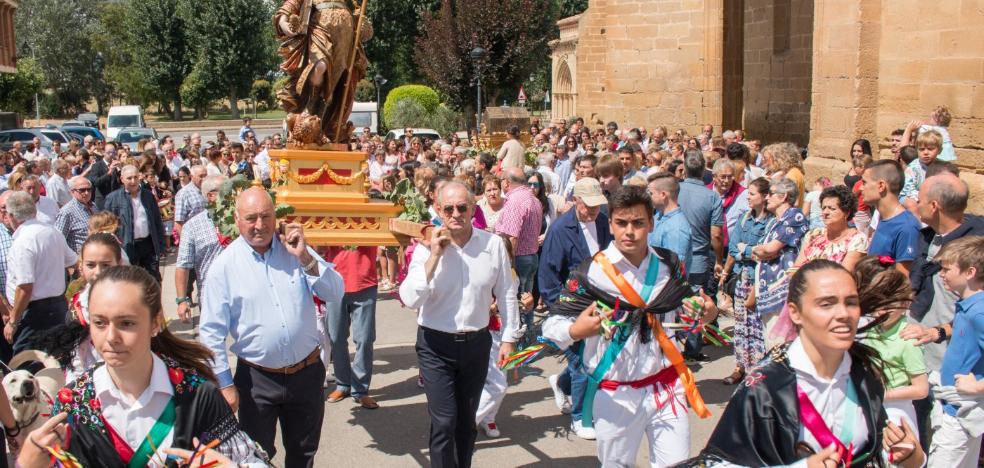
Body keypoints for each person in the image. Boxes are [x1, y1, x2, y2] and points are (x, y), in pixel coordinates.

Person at [16, 266, 270, 468]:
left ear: (155, 323)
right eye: (100, 323)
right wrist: (28, 464)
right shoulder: (71, 404)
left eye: (126, 323)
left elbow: (250, 460)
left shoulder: (196, 396)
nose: (112, 336)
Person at [688, 260, 924, 468]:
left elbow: (874, 451)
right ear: (795, 312)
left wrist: (913, 458)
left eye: (851, 302)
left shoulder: (865, 372)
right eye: (826, 304)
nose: (843, 313)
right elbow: (718, 461)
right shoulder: (765, 388)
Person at [541, 185, 712, 467]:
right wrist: (576, 331)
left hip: (667, 388)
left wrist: (706, 311)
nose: (629, 231)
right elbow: (552, 324)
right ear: (610, 224)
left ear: (651, 223)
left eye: (638, 223)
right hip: (616, 396)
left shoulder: (669, 265)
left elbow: (686, 306)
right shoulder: (591, 273)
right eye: (621, 223)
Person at [199, 188, 343, 467]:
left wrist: (305, 258)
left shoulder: (295, 250)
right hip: (257, 381)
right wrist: (225, 385)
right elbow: (211, 333)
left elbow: (335, 291)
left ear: (276, 216)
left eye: (266, 216)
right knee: (257, 457)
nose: (260, 225)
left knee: (304, 453)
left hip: (307, 374)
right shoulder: (224, 267)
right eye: (251, 218)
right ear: (237, 220)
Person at [399, 181, 520, 467]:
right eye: (449, 208)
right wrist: (434, 256)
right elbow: (409, 298)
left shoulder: (492, 245)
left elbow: (506, 292)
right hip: (435, 345)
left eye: (462, 207)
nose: (456, 213)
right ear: (438, 210)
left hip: (476, 345)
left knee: (467, 422)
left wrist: (509, 338)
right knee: (444, 421)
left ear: (473, 209)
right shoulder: (425, 250)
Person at [900, 173, 984, 448]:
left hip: (953, 367)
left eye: (920, 200)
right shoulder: (928, 236)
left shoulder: (972, 247)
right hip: (926, 343)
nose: (914, 205)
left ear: (934, 206)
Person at [538, 177, 612, 440]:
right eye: (588, 206)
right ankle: (580, 416)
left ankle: (561, 383)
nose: (593, 211)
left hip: (600, 301)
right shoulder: (560, 229)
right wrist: (558, 309)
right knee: (582, 361)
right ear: (576, 201)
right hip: (571, 306)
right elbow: (548, 273)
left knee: (593, 358)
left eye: (597, 206)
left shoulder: (602, 221)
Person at [858, 255, 928, 440]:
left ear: (905, 303)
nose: (882, 311)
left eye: (889, 306)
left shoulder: (907, 338)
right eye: (877, 305)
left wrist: (881, 394)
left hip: (897, 414)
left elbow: (921, 389)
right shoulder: (870, 329)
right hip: (870, 409)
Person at [930, 236, 984, 467]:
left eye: (946, 269)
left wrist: (978, 386)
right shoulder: (968, 306)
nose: (941, 274)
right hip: (954, 410)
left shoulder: (978, 312)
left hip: (961, 413)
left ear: (970, 272)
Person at [3, 191, 78, 353]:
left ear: (11, 216)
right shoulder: (52, 232)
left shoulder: (23, 242)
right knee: (55, 358)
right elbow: (73, 261)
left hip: (34, 314)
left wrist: (13, 322)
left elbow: (25, 287)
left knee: (28, 362)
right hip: (57, 307)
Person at [718, 177, 773, 385]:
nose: (747, 197)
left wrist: (745, 249)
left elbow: (766, 251)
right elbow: (733, 248)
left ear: (764, 196)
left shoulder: (771, 222)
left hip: (759, 281)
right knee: (741, 327)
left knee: (759, 328)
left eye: (752, 194)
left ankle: (759, 371)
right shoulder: (743, 219)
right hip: (742, 279)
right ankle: (740, 366)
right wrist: (749, 252)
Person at [677, 149, 723, 361]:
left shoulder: (674, 189)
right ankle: (692, 349)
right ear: (704, 170)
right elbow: (716, 234)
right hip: (698, 258)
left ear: (684, 168)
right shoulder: (712, 196)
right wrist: (719, 259)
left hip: (673, 256)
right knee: (695, 301)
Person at [322, 246, 380, 410]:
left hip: (364, 281)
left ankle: (361, 390)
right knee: (336, 337)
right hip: (335, 280)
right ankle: (343, 384)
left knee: (365, 338)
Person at [752, 177, 809, 346]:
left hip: (782, 290)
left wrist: (760, 249)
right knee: (771, 341)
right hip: (768, 289)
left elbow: (770, 249)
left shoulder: (794, 215)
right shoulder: (775, 222)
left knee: (780, 344)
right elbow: (761, 252)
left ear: (783, 196)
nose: (767, 197)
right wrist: (760, 250)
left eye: (771, 194)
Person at [495, 167, 543, 328]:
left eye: (501, 180)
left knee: (516, 302)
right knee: (526, 300)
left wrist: (508, 265)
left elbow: (511, 237)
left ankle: (518, 337)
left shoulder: (515, 201)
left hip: (519, 259)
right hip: (530, 256)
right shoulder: (533, 199)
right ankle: (526, 333)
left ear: (506, 183)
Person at [174, 175, 226, 323]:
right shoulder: (192, 227)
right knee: (212, 345)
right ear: (211, 196)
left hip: (241, 295)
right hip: (211, 298)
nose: (233, 194)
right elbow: (183, 266)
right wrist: (181, 301)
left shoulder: (241, 219)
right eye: (227, 190)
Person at [103, 165, 166, 282]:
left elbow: (157, 221)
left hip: (148, 244)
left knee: (153, 280)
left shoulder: (147, 196)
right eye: (129, 178)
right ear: (122, 179)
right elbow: (107, 225)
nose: (133, 181)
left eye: (136, 177)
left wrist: (161, 245)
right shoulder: (113, 198)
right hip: (127, 245)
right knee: (131, 280)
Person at [861, 160, 921, 275]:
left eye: (864, 183)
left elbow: (903, 281)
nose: (860, 188)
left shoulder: (906, 227)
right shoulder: (882, 217)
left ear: (881, 186)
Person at [795, 185, 868, 272]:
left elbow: (844, 274)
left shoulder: (857, 240)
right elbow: (796, 266)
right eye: (823, 208)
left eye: (832, 209)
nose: (825, 212)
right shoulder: (813, 234)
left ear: (847, 213)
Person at [647, 172, 692, 272]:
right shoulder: (658, 216)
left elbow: (675, 268)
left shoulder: (677, 228)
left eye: (650, 193)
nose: (648, 197)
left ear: (663, 195)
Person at [54, 176, 95, 254]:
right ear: (72, 192)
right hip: (78, 259)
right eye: (82, 190)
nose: (86, 193)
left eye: (89, 190)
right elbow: (58, 240)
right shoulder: (66, 212)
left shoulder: (94, 206)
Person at [173, 165, 208, 237]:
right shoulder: (183, 194)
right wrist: (186, 241)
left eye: (205, 175)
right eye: (201, 176)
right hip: (194, 236)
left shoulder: (207, 189)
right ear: (192, 176)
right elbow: (179, 222)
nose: (204, 178)